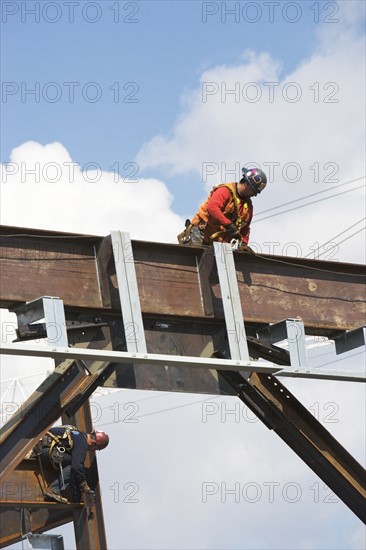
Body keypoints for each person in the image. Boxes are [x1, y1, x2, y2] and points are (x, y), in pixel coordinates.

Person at [178, 167, 267, 253]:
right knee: (193, 260)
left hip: (219, 244)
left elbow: (245, 228)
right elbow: (212, 208)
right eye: (253, 191)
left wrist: (243, 244)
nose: (255, 195)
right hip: (200, 234)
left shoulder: (248, 206)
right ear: (246, 184)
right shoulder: (225, 190)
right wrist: (228, 225)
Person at [35, 424, 109, 504]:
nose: (93, 450)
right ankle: (54, 490)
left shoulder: (77, 434)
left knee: (74, 461)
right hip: (45, 449)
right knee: (74, 464)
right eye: (96, 449)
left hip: (40, 445)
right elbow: (77, 465)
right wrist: (83, 484)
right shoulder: (82, 442)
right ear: (94, 444)